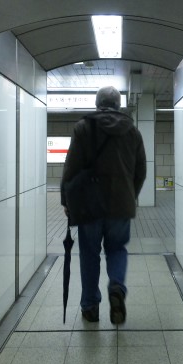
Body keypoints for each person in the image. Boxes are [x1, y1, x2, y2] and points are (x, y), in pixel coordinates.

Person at [61, 86, 146, 324]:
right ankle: (116, 286)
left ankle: (90, 307)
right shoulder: (133, 131)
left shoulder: (83, 127)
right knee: (117, 249)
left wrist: (66, 200)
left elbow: (71, 167)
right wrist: (130, 195)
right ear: (118, 105)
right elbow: (140, 170)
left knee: (89, 254)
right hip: (121, 204)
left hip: (89, 205)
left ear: (97, 104)